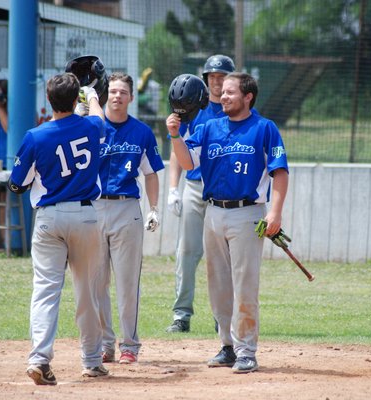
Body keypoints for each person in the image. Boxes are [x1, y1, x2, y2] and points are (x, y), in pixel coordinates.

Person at [166, 72, 289, 373]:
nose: (223, 95)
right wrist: (174, 135)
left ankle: (247, 350)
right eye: (222, 92)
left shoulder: (264, 128)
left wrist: (275, 213)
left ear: (248, 97)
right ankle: (227, 346)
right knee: (218, 284)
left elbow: (280, 172)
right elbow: (187, 163)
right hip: (214, 212)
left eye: (231, 92)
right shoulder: (209, 128)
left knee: (245, 284)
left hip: (248, 213)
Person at [7, 72, 108, 385]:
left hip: (49, 218)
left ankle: (39, 359)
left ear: (48, 100)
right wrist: (90, 94)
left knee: (46, 290)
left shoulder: (36, 136)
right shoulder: (92, 126)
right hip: (86, 217)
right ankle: (92, 361)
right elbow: (99, 117)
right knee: (87, 292)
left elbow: (17, 185)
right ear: (75, 99)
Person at [92, 72, 164, 364]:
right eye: (113, 91)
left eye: (123, 92)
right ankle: (105, 343)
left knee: (127, 281)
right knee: (96, 282)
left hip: (127, 208)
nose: (117, 96)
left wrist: (154, 208)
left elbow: (151, 173)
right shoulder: (92, 127)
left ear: (132, 97)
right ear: (106, 95)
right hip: (94, 207)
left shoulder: (142, 132)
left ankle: (129, 346)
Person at [166, 55, 236, 333]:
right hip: (195, 187)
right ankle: (181, 314)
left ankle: (222, 317)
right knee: (187, 251)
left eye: (222, 76)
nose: (217, 82)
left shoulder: (235, 108)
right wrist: (173, 188)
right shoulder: (195, 106)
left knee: (223, 257)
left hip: (223, 189)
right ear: (205, 79)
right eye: (212, 76)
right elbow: (178, 147)